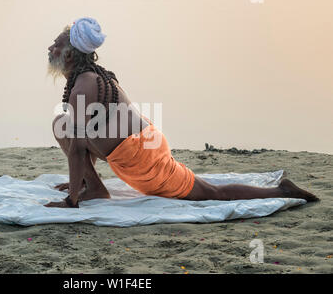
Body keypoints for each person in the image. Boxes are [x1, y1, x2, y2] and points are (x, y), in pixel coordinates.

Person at [44, 17, 319, 208]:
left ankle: (281, 191)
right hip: (134, 147)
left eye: (55, 44)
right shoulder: (89, 78)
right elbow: (80, 138)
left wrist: (71, 200)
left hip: (142, 157)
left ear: (69, 55)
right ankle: (93, 187)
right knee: (63, 123)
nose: (50, 48)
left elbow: (80, 150)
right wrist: (77, 180)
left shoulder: (84, 85)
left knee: (210, 193)